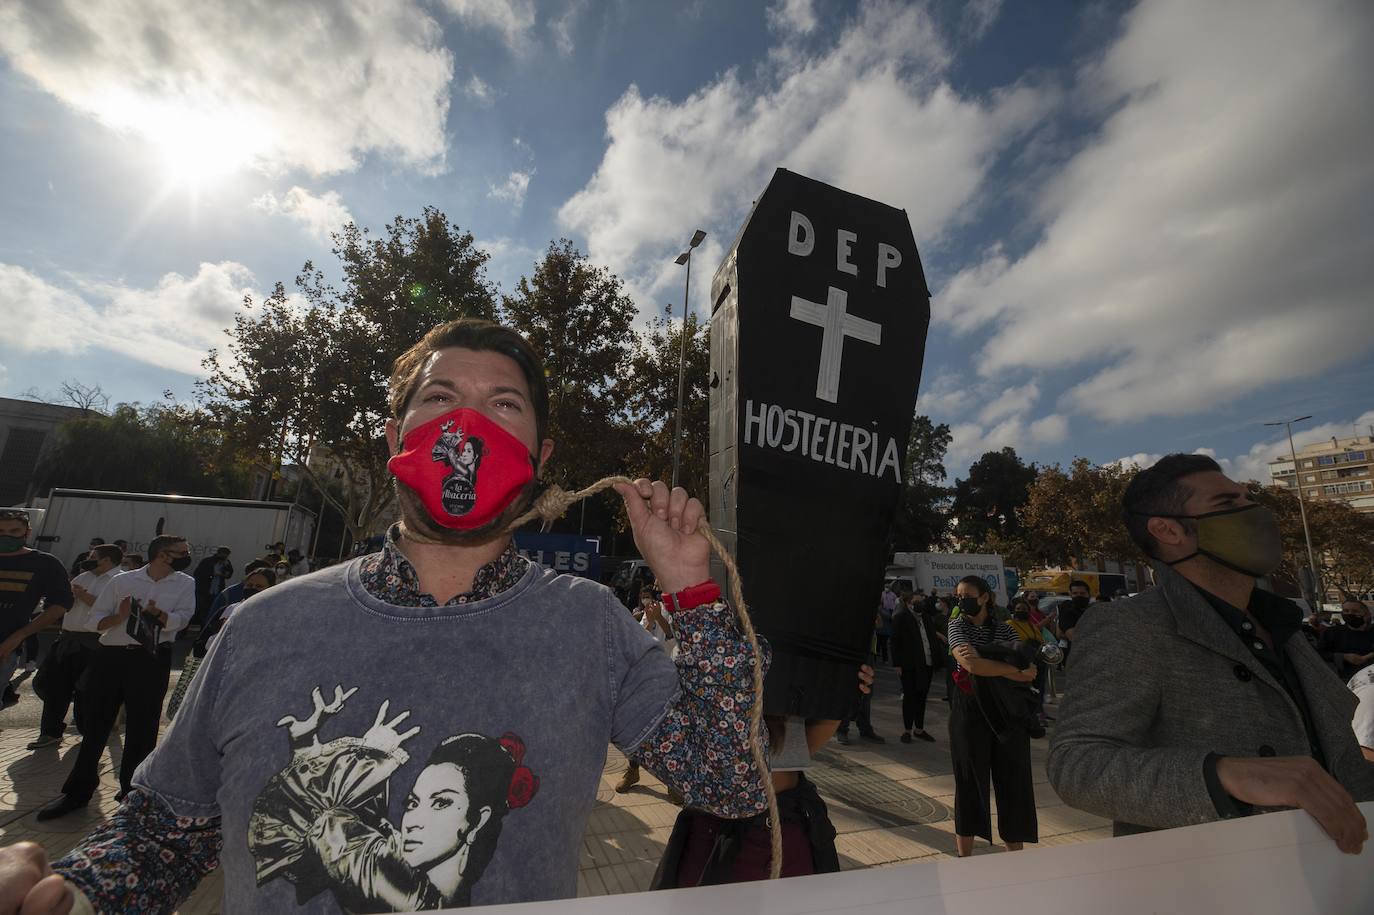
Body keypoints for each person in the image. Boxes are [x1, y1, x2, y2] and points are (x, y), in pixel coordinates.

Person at [0, 318, 771, 912]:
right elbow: (164, 833)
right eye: (438, 399)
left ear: (541, 457)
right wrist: (78, 891)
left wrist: (693, 594)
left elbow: (733, 783)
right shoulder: (263, 625)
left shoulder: (591, 625)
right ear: (393, 436)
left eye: (504, 405)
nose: (467, 427)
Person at [1048, 453, 1374, 854]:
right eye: (1227, 505)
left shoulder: (1282, 625)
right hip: (1221, 881)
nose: (1255, 512)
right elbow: (1077, 766)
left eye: (1247, 499)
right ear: (1167, 530)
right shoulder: (1130, 625)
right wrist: (1222, 775)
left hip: (1339, 873)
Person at [652, 667, 872, 887]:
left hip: (786, 828)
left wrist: (843, 691)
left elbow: (797, 748)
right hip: (716, 835)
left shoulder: (794, 653)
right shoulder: (704, 650)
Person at [36, 535, 196, 819]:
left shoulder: (185, 583)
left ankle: (132, 794)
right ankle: (77, 792)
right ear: (162, 555)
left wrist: (159, 614)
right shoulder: (123, 581)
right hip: (110, 657)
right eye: (181, 552)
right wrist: (120, 616)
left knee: (143, 730)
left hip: (151, 658)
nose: (186, 556)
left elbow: (183, 619)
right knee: (95, 725)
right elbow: (94, 622)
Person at [947, 575, 1038, 856]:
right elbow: (970, 664)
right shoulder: (955, 626)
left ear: (985, 597)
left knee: (1014, 781)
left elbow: (1031, 670)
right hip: (970, 711)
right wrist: (1010, 668)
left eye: (967, 595)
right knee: (969, 782)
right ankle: (965, 857)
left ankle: (1016, 854)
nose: (962, 601)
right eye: (958, 596)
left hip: (1005, 711)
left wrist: (990, 662)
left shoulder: (1005, 629)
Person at [27, 543, 124, 750]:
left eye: (93, 556)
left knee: (87, 691)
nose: (88, 559)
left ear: (106, 560)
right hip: (67, 639)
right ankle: (50, 732)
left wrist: (83, 596)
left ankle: (88, 733)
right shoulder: (83, 577)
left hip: (95, 643)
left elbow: (115, 613)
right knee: (54, 687)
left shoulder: (120, 581)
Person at [0, 510, 73, 705]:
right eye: (0, 530)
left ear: (27, 532)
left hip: (4, 649)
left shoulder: (45, 564)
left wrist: (19, 636)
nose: (6, 535)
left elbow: (60, 605)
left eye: (14, 530)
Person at [616, 592, 676, 793]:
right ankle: (632, 771)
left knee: (669, 731)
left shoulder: (676, 609)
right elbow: (639, 635)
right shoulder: (652, 608)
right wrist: (650, 621)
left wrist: (659, 618)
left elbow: (674, 640)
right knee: (637, 727)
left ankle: (672, 783)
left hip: (668, 675)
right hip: (645, 675)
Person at [890, 589, 941, 743]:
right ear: (908, 603)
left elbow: (931, 636)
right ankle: (907, 730)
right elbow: (895, 641)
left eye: (921, 602)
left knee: (922, 696)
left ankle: (919, 729)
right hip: (909, 664)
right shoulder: (901, 617)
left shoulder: (926, 618)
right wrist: (897, 663)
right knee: (909, 696)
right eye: (916, 602)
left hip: (927, 662)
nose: (920, 605)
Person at [836, 610, 886, 745]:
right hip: (852, 652)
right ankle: (842, 729)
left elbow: (880, 624)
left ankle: (865, 728)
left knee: (867, 693)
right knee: (849, 692)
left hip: (868, 654)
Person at [1318, 599, 1374, 681]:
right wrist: (1343, 657)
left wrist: (1369, 656)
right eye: (1346, 611)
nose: (1350, 614)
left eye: (1355, 611)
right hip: (1344, 680)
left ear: (1367, 614)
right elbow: (1320, 654)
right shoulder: (1332, 632)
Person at [192, 546, 233, 624]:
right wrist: (212, 574)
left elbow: (229, 574)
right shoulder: (207, 561)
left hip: (217, 590)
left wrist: (227, 566)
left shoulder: (226, 563)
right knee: (200, 609)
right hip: (205, 590)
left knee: (212, 610)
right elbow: (197, 573)